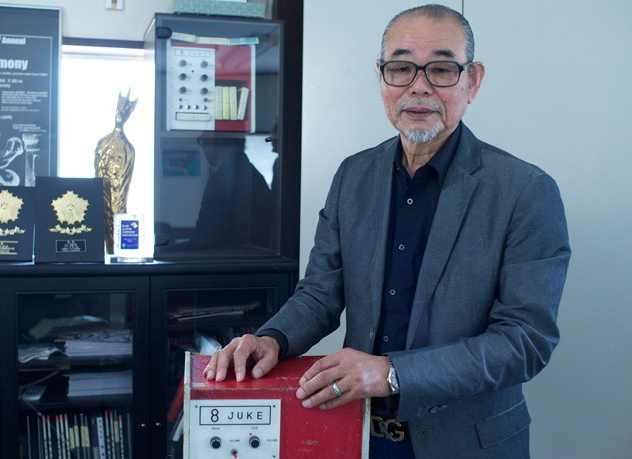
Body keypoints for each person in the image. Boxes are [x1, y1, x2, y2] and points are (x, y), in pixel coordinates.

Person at [204, 4, 571, 458]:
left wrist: (392, 373)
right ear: (381, 76)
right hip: (357, 432)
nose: (419, 86)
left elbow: (525, 341)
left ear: (472, 80)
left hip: (467, 443)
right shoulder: (353, 176)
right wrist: (271, 338)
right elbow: (320, 293)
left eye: (441, 69)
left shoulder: (526, 191)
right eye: (401, 68)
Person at [189, 132, 275, 250]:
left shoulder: (221, 181)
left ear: (211, 141)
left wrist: (168, 251)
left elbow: (204, 240)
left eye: (202, 141)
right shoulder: (255, 177)